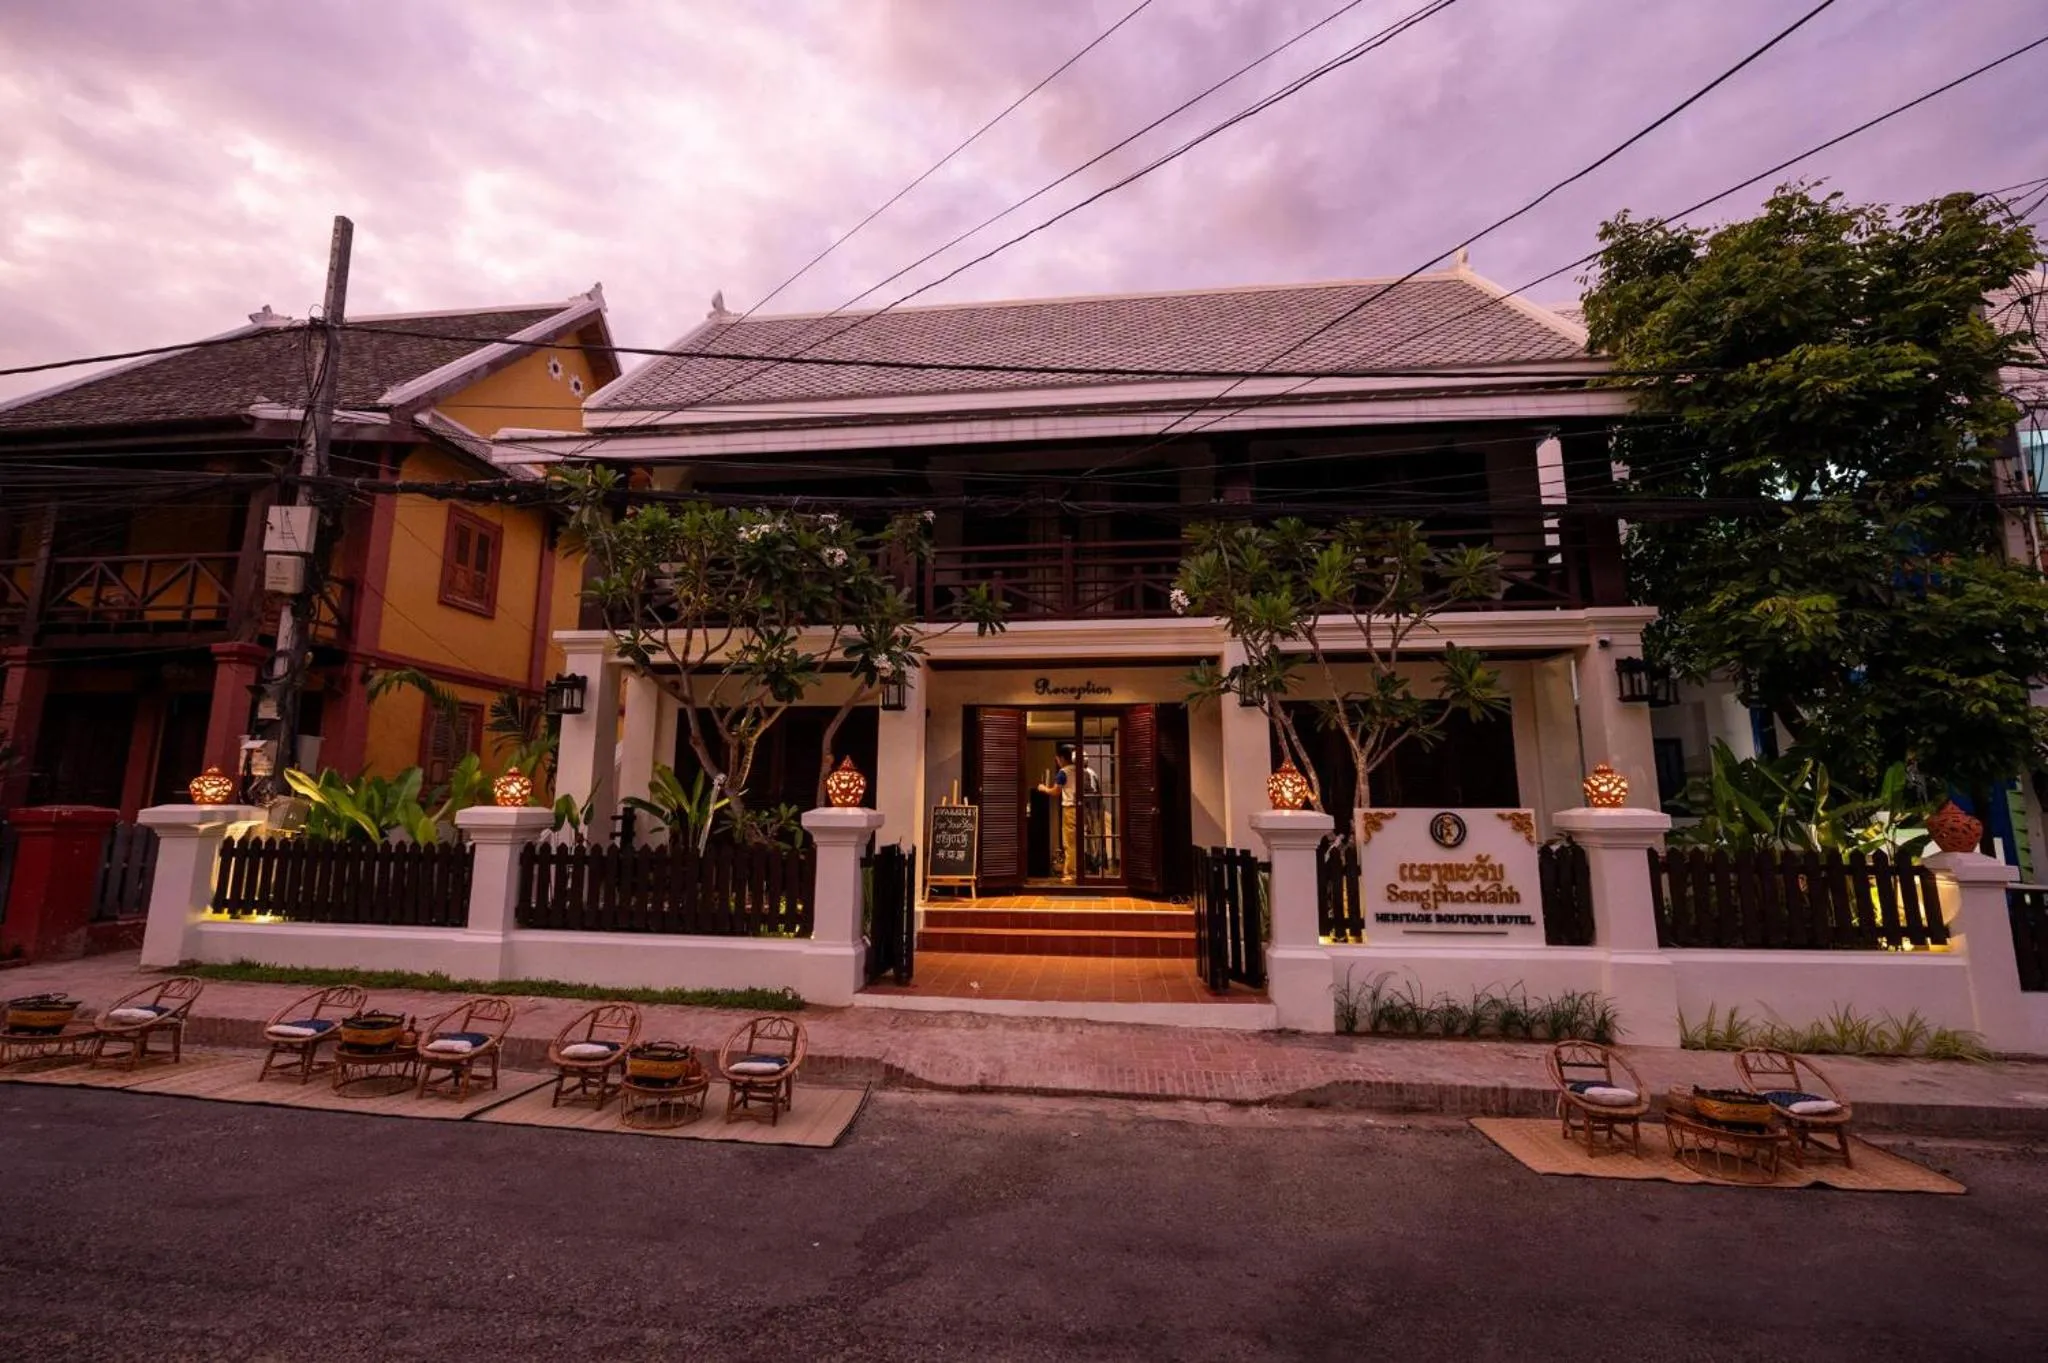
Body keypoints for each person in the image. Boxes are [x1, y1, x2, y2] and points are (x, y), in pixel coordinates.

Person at [1038, 743, 1086, 885]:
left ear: (1062, 758)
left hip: (1069, 809)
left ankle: (1070, 873)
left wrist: (1043, 788)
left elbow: (1056, 791)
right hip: (1082, 808)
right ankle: (1080, 871)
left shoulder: (1063, 772)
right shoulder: (1080, 770)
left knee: (1069, 842)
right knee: (1079, 841)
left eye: (1057, 759)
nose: (1057, 762)